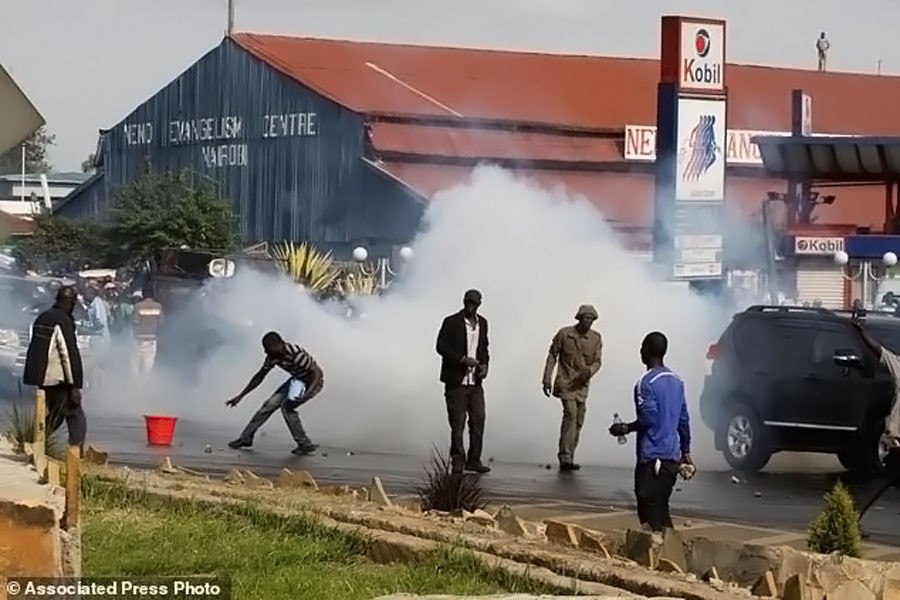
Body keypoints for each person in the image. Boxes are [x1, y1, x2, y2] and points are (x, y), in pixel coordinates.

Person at [608, 331, 692, 532]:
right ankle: (672, 554)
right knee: (662, 509)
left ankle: (657, 557)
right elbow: (683, 420)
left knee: (649, 513)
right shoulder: (677, 381)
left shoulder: (645, 383)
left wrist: (625, 428)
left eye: (642, 348)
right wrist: (686, 453)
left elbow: (649, 418)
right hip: (672, 457)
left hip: (652, 458)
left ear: (646, 351)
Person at [226, 331, 324, 456]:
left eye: (268, 349)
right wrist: (240, 396)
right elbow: (259, 377)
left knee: (287, 407)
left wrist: (307, 394)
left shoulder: (296, 354)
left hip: (312, 382)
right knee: (268, 405)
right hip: (297, 380)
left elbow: (316, 373)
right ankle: (246, 438)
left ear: (279, 344)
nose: (266, 353)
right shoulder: (272, 357)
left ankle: (304, 444)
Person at [22, 286, 86, 452]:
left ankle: (31, 442)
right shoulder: (62, 320)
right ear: (71, 302)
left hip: (43, 377)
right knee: (73, 415)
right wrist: (75, 385)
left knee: (58, 415)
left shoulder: (43, 317)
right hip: (58, 378)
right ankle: (75, 452)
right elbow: (68, 354)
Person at [436, 289, 491, 474]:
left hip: (475, 383)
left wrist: (484, 365)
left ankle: (474, 460)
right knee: (457, 423)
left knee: (479, 420)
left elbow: (484, 348)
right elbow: (441, 346)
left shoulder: (483, 323)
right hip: (456, 382)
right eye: (468, 302)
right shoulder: (451, 322)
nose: (470, 306)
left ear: (478, 305)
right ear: (463, 302)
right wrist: (461, 359)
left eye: (474, 304)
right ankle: (458, 461)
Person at [542, 304, 603, 471]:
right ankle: (565, 457)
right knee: (571, 414)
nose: (588, 321)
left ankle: (570, 454)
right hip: (565, 383)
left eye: (591, 319)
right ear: (579, 318)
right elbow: (552, 355)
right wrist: (547, 378)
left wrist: (589, 371)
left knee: (579, 419)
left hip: (582, 385)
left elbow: (598, 361)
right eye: (585, 318)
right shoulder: (565, 334)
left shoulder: (596, 338)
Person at [131, 288, 163, 376]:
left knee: (135, 368)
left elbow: (135, 322)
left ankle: (133, 388)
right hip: (152, 340)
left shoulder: (138, 306)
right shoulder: (158, 307)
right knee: (148, 369)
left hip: (138, 340)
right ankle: (145, 388)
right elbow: (162, 322)